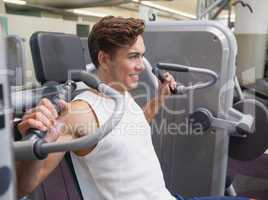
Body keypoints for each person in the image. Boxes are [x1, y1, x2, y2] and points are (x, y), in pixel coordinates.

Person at [16, 16, 254, 200]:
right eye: (133, 57)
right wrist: (33, 145)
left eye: (142, 56)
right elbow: (23, 186)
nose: (142, 65)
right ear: (104, 59)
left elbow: (133, 124)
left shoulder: (121, 96)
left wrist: (160, 97)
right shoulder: (79, 112)